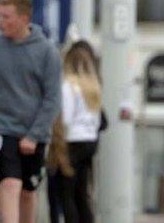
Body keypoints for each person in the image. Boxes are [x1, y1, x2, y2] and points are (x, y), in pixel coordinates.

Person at [0, 0, 62, 223]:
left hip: (35, 132)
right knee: (9, 183)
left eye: (7, 17)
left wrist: (34, 135)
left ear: (24, 18)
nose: (1, 22)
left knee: (28, 192)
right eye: (0, 16)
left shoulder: (47, 52)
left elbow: (52, 99)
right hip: (1, 127)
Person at [56, 43, 102, 223]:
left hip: (72, 140)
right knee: (82, 192)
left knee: (67, 192)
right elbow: (97, 119)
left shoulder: (68, 86)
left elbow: (66, 118)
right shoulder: (93, 87)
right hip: (90, 140)